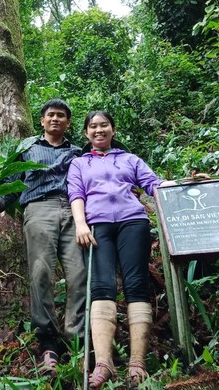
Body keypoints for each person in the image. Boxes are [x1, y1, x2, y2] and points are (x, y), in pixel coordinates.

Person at [67, 110, 174, 388]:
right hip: (97, 226)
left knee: (136, 285)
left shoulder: (129, 159)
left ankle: (137, 363)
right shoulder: (79, 163)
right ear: (86, 133)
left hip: (133, 223)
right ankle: (104, 363)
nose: (99, 130)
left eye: (104, 125)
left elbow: (153, 184)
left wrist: (178, 186)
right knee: (102, 287)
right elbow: (76, 194)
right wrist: (81, 224)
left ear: (113, 129)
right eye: (93, 126)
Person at [0, 99, 87, 376]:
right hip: (39, 208)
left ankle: (75, 338)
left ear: (68, 123)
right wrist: (2, 202)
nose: (55, 119)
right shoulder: (28, 148)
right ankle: (48, 343)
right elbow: (16, 181)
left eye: (61, 116)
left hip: (73, 211)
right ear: (42, 120)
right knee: (41, 272)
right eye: (50, 115)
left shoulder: (78, 152)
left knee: (78, 274)